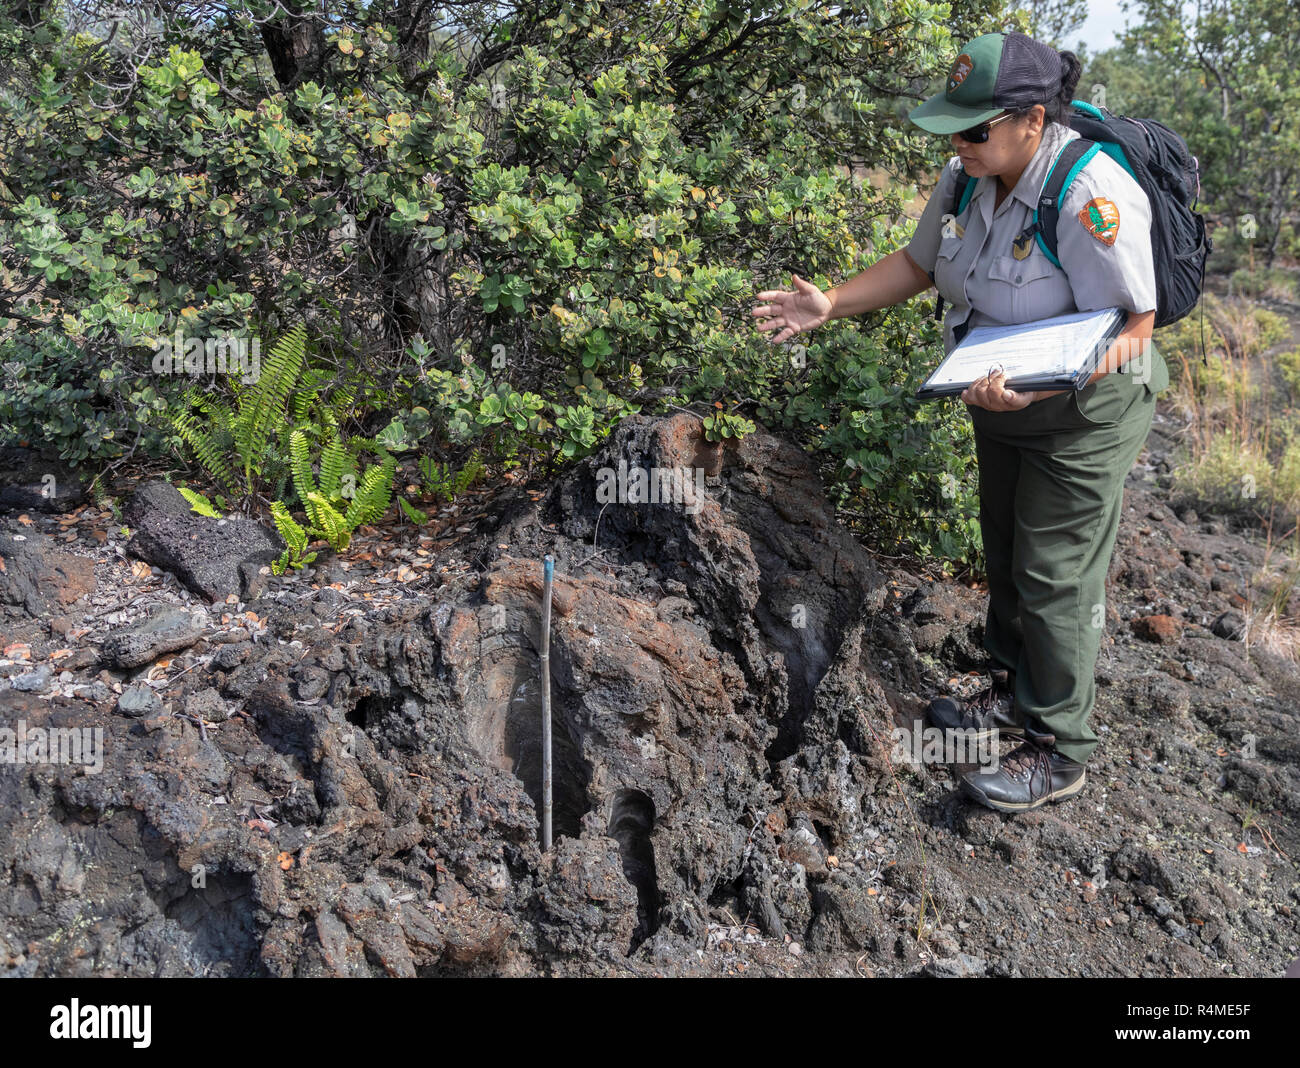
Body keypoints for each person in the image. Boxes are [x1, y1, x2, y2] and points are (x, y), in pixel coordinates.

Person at [749, 30, 1170, 813]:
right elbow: (918, 266)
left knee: (1055, 575)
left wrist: (1039, 395)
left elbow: (1135, 328)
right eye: (953, 127)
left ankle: (1060, 748)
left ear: (1032, 121)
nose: (960, 143)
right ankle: (1013, 693)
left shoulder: (1090, 192)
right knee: (1008, 551)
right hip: (998, 398)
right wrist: (831, 303)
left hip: (1084, 412)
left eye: (975, 129)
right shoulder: (967, 179)